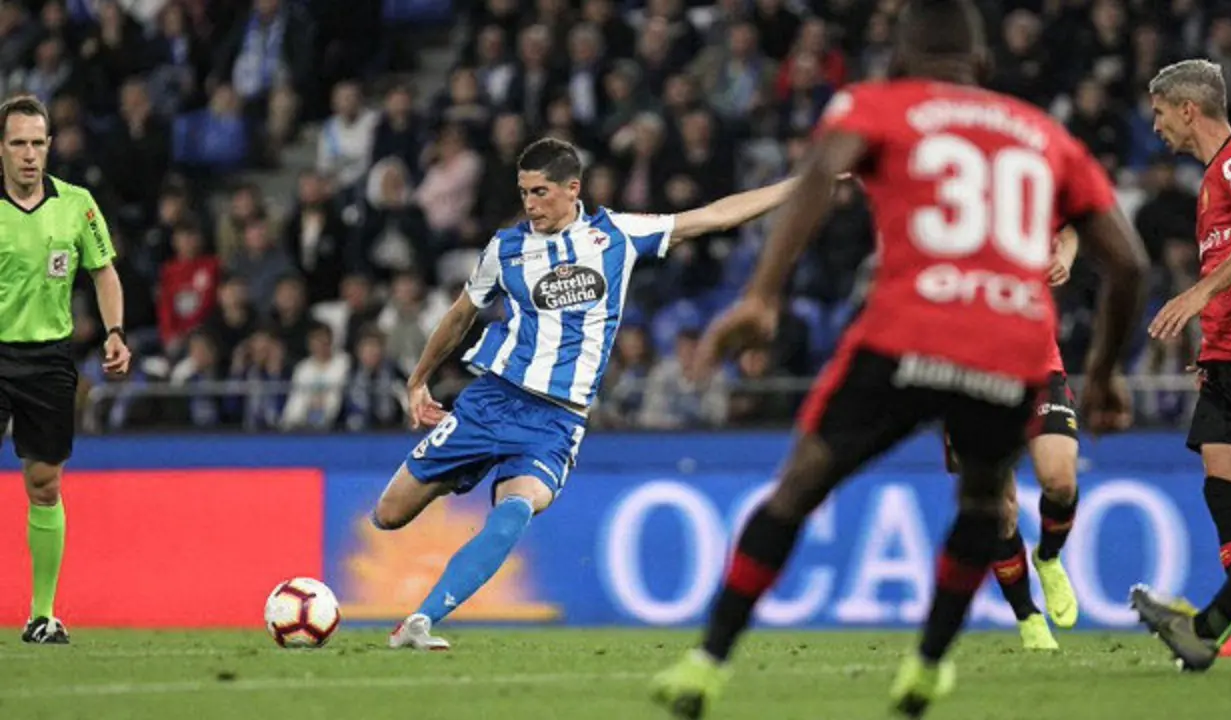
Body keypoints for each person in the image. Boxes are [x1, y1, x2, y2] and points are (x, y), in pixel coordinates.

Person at [649, 1, 1149, 717]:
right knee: (984, 500)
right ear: (982, 64)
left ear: (904, 60)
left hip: (905, 333)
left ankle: (707, 662)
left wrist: (762, 294)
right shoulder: (1046, 136)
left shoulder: (879, 103)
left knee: (799, 487)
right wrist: (1102, 375)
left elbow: (821, 174)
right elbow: (1127, 264)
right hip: (1009, 347)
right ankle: (927, 666)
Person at [370, 136, 806, 651]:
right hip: (491, 401)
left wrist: (800, 185)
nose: (530, 205)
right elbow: (462, 314)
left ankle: (421, 620)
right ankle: (456, 474)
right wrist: (419, 378)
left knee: (518, 507)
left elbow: (711, 217)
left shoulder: (616, 234)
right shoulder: (505, 248)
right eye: (524, 192)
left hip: (555, 422)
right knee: (389, 515)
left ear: (572, 189)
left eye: (540, 192)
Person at [1145, 58, 1231, 656]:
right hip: (1223, 360)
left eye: (1159, 112)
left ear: (1187, 109)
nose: (1155, 127)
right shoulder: (1209, 182)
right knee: (1222, 490)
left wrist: (1200, 294)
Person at [0, 95, 130, 644]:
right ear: (1, 149)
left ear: (50, 145)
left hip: (50, 358)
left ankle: (42, 614)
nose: (29, 155)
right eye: (18, 143)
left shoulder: (76, 204)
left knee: (45, 483)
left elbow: (103, 272)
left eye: (37, 143)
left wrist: (115, 333)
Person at [945, 227, 1083, 651]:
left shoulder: (1026, 178)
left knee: (1060, 480)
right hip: (967, 372)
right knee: (998, 510)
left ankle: (1048, 557)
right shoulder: (943, 206)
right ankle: (1027, 616)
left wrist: (1066, 258)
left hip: (1037, 363)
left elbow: (1072, 227)